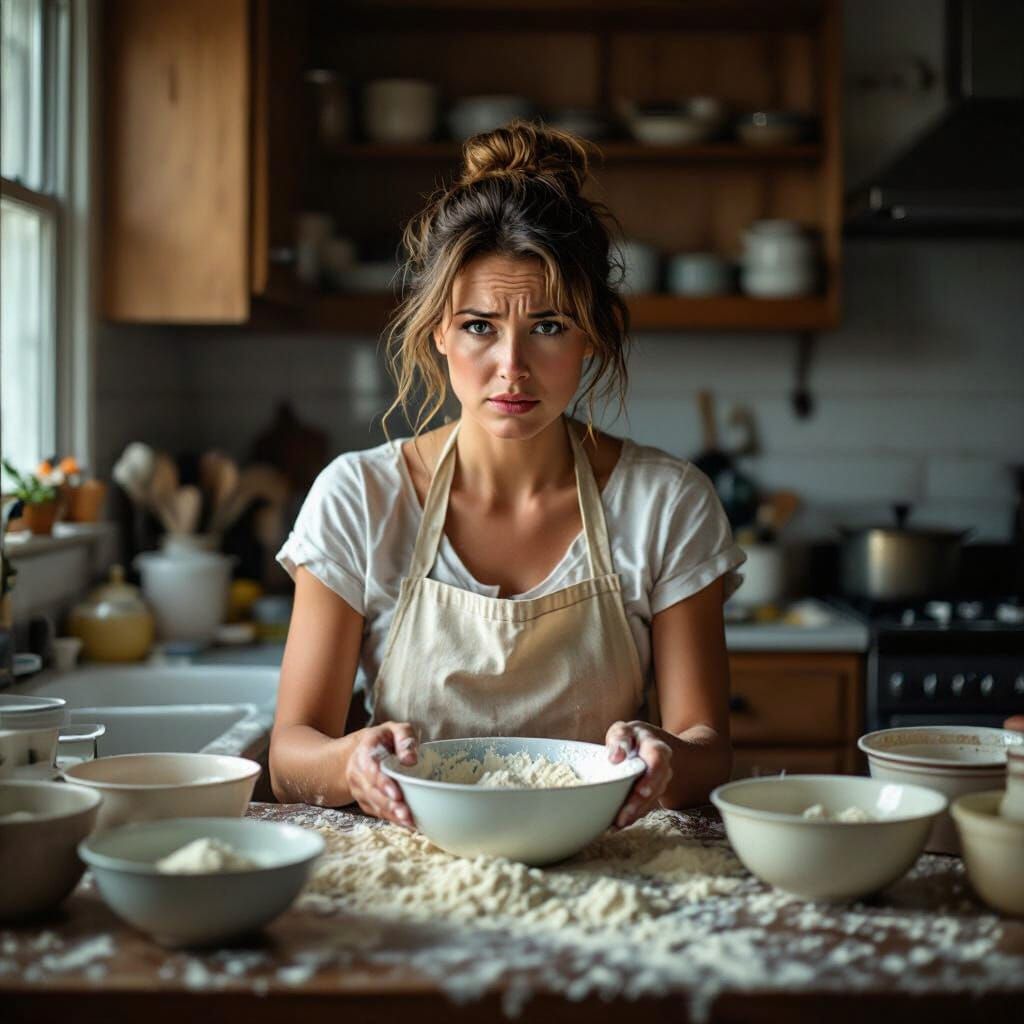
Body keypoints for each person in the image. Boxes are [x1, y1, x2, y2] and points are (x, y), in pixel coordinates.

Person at [269, 120, 746, 831]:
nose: (512, 367)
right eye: (479, 326)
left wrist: (666, 754)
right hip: (409, 877)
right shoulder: (361, 498)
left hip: (608, 871)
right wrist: (352, 763)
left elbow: (707, 747)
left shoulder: (665, 502)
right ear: (437, 329)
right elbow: (289, 758)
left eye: (549, 326)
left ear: (593, 333)